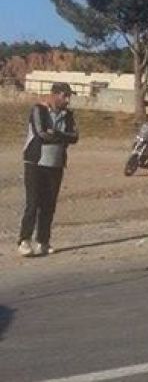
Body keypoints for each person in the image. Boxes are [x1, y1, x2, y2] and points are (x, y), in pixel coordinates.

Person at [18, 82, 79, 257]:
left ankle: (43, 241)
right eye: (64, 96)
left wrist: (57, 134)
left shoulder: (68, 115)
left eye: (69, 96)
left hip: (56, 163)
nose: (67, 100)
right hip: (35, 162)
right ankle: (24, 240)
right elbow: (41, 133)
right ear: (54, 95)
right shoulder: (39, 110)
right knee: (33, 202)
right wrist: (61, 136)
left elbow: (74, 137)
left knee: (49, 205)